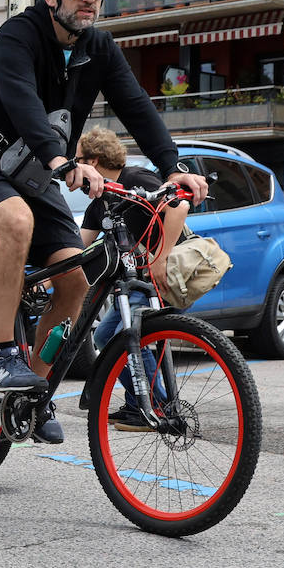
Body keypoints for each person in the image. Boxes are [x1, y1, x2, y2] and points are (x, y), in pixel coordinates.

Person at [0, 0, 209, 445]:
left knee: (74, 281)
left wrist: (173, 167)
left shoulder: (99, 48)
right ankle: (2, 354)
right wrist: (61, 160)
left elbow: (136, 106)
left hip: (36, 172)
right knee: (16, 220)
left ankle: (34, 390)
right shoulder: (17, 35)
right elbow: (21, 101)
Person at [77, 127, 188, 432]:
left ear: (93, 161)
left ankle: (156, 406)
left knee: (123, 335)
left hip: (163, 277)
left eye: (78, 162)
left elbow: (179, 208)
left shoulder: (135, 179)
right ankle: (137, 403)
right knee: (110, 337)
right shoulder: (100, 203)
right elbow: (77, 250)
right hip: (137, 281)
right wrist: (44, 281)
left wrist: (160, 259)